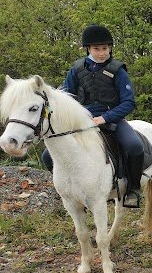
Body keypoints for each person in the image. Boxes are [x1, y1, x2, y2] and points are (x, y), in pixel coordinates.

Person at [42, 24, 144, 208]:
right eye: (97, 49)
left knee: (135, 146)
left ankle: (133, 189)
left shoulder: (117, 70)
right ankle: (71, 190)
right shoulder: (76, 69)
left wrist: (104, 118)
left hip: (111, 119)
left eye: (105, 48)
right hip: (81, 122)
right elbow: (64, 97)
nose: (102, 52)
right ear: (88, 48)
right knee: (47, 156)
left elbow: (129, 102)